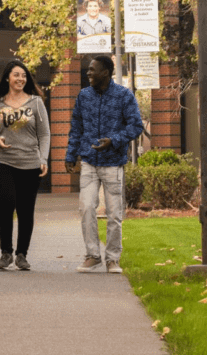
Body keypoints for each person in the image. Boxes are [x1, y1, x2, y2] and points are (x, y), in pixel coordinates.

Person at [64, 55, 143, 274]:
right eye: (88, 70)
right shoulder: (83, 96)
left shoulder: (124, 96)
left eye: (92, 70)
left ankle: (112, 259)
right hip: (89, 162)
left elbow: (136, 126)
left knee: (114, 215)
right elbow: (76, 128)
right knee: (87, 208)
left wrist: (114, 140)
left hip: (113, 163)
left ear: (106, 72)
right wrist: (71, 155)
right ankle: (92, 255)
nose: (88, 73)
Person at [0, 61, 50, 271]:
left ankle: (22, 255)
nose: (20, 79)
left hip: (30, 163)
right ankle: (6, 253)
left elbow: (44, 133)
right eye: (16, 75)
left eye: (24, 75)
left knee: (25, 210)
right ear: (7, 78)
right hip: (3, 161)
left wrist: (43, 158)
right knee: (6, 205)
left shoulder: (36, 103)